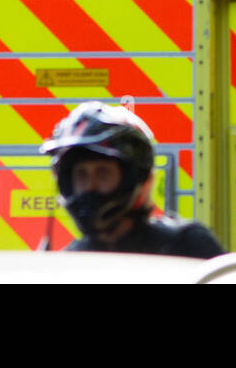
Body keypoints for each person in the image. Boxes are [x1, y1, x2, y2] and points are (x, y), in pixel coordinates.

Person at [41, 101, 223, 257]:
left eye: (103, 173)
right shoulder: (73, 263)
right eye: (82, 175)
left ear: (136, 177)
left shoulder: (187, 247)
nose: (91, 185)